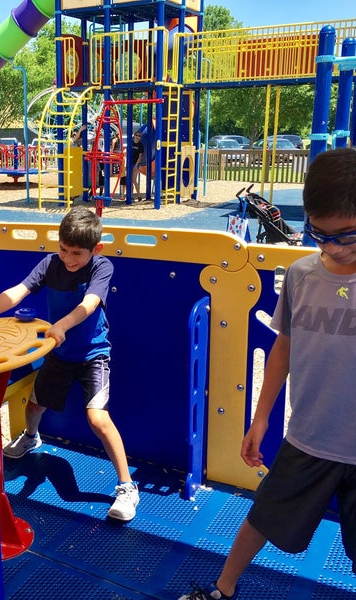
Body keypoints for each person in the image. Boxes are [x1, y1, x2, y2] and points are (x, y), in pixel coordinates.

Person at [178, 147, 356, 600]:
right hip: (309, 438)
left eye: (346, 237)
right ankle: (223, 589)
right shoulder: (301, 275)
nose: (331, 248)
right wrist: (259, 420)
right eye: (319, 234)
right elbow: (283, 350)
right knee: (263, 516)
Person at [0, 206, 140, 521]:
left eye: (77, 253)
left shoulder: (101, 267)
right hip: (59, 353)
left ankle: (127, 487)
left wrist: (62, 325)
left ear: (96, 249)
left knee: (97, 419)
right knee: (33, 407)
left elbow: (89, 304)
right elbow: (16, 293)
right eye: (63, 249)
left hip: (92, 354)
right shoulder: (50, 264)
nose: (68, 258)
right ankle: (31, 438)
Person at [131, 131, 144, 200]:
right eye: (136, 135)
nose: (137, 137)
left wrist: (136, 165)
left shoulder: (140, 145)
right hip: (130, 163)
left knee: (134, 179)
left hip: (136, 164)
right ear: (134, 135)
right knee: (130, 180)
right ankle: (131, 195)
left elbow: (140, 156)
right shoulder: (131, 143)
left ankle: (139, 195)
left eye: (139, 136)